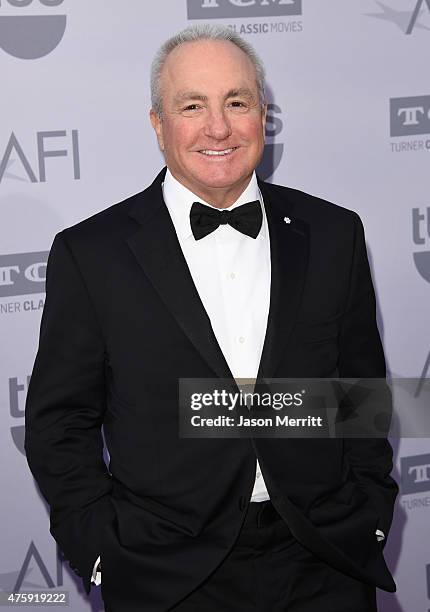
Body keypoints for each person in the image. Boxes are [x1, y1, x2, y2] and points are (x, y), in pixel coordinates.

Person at [24, 24, 398, 612]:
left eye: (236, 102)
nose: (218, 128)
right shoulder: (90, 253)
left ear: (263, 115)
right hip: (167, 569)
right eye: (191, 105)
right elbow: (60, 422)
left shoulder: (334, 233)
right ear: (158, 124)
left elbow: (359, 392)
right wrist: (100, 546)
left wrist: (370, 510)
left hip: (324, 559)